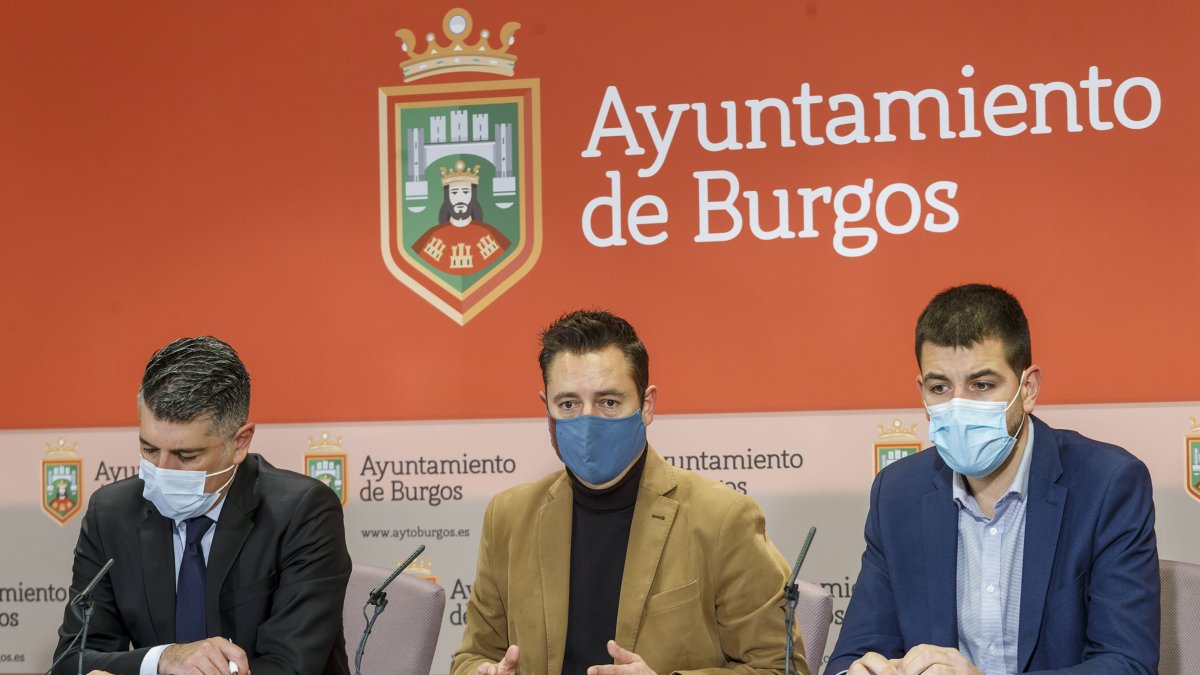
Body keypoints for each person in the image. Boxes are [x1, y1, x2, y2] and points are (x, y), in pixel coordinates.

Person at [827, 284, 1159, 675]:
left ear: (1028, 388)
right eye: (940, 388)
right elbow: (853, 655)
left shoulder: (1108, 484)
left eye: (981, 385)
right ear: (921, 391)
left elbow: (1127, 664)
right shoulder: (897, 493)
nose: (958, 404)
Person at [451, 310, 805, 675]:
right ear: (547, 408)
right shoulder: (508, 516)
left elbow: (780, 668)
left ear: (646, 406)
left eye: (608, 402)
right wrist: (483, 672)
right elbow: (472, 656)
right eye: (568, 404)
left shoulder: (722, 518)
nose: (587, 421)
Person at [50, 337, 352, 675]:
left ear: (239, 443)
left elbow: (291, 666)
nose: (162, 471)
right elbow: (73, 658)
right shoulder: (111, 513)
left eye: (186, 456)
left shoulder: (302, 512)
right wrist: (164, 659)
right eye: (149, 449)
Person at [413, 159, 511, 275]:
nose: (460, 198)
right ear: (447, 197)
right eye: (454, 193)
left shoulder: (489, 233)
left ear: (473, 196)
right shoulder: (432, 235)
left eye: (465, 192)